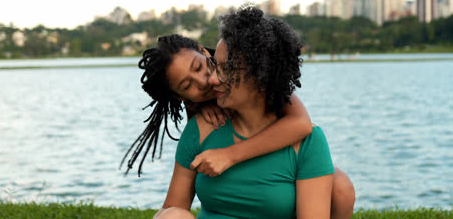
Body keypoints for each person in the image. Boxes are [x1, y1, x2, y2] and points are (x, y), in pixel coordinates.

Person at [122, 14, 355, 218]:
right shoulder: (201, 124)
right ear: (182, 98)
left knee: (339, 184)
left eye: (204, 67)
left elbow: (301, 125)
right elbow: (173, 208)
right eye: (187, 85)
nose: (208, 80)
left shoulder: (289, 112)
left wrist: (230, 155)